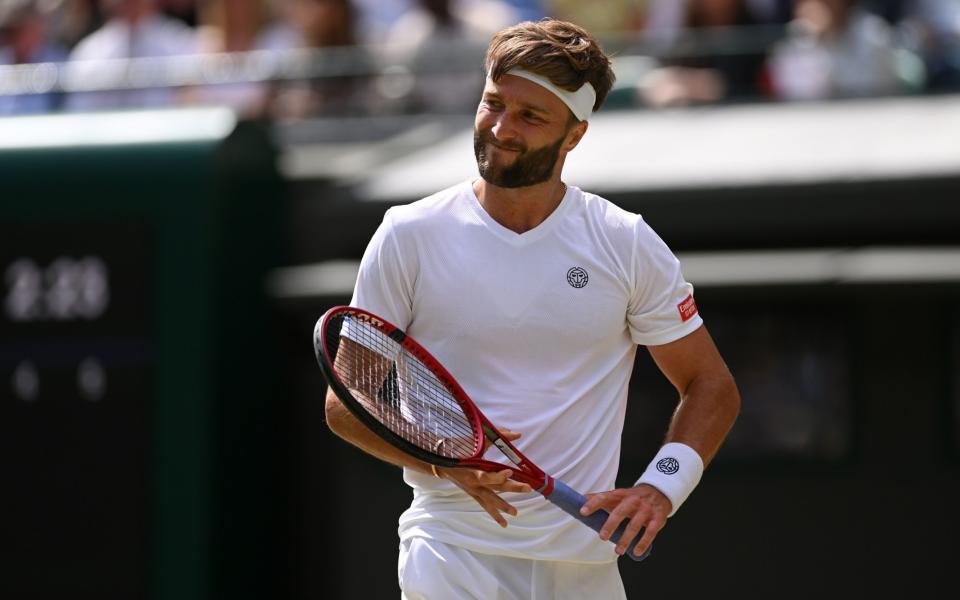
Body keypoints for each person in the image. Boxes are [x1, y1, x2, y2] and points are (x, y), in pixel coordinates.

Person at [323, 18, 740, 599]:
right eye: (493, 104)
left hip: (585, 567)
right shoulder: (407, 235)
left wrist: (659, 488)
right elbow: (346, 404)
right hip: (451, 554)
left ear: (574, 136)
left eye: (530, 116)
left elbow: (711, 386)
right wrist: (443, 463)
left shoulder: (625, 242)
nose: (500, 128)